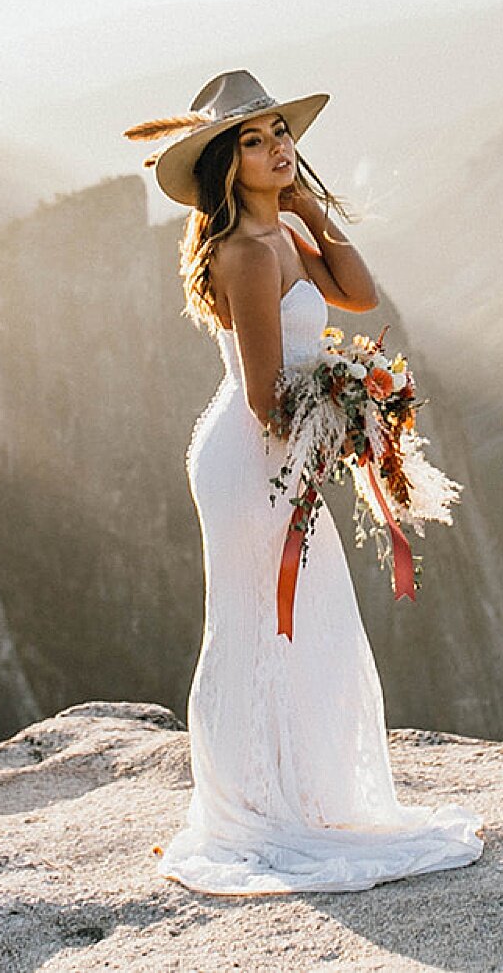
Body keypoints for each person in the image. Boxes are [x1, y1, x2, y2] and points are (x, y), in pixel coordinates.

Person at [124, 69, 484, 894]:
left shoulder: (282, 234)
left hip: (280, 452)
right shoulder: (245, 252)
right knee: (261, 622)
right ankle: (257, 806)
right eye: (255, 139)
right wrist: (343, 414)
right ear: (226, 162)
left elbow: (356, 294)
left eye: (281, 132)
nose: (278, 146)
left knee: (302, 618)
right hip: (254, 454)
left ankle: (301, 794)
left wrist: (312, 212)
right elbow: (263, 393)